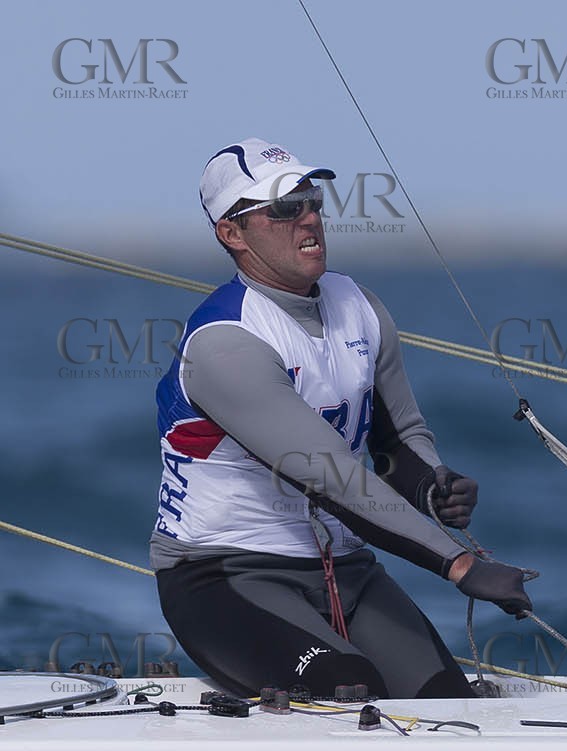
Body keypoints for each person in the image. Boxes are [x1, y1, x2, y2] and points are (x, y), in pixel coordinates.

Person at [151, 137, 533, 699]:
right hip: (224, 573)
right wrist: (458, 565)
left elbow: (397, 438)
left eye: (311, 200)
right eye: (282, 208)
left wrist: (431, 484)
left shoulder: (360, 306)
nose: (307, 218)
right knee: (349, 690)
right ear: (232, 234)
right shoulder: (226, 344)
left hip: (344, 568)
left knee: (445, 700)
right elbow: (329, 476)